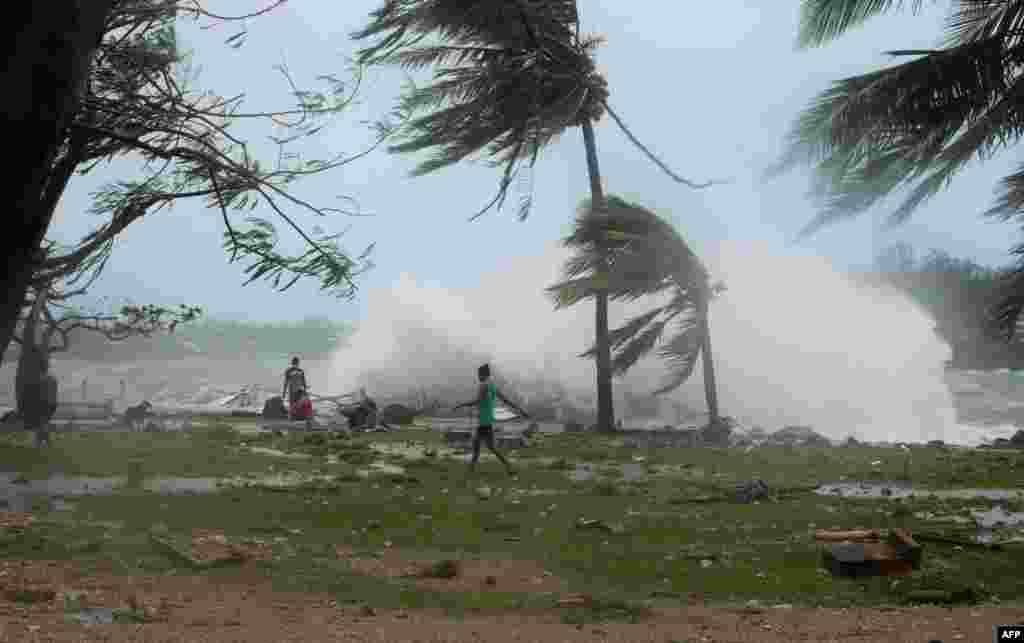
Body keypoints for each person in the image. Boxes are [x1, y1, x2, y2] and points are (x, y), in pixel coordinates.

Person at [453, 364, 528, 476]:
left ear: (484, 374)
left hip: (483, 422)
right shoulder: (493, 387)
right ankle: (507, 467)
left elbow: (477, 401)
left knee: (479, 448)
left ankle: (471, 471)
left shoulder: (483, 386)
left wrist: (461, 405)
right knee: (486, 447)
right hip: (488, 421)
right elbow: (506, 400)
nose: (478, 377)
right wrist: (520, 410)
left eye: (479, 374)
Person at [20, 351, 58, 448]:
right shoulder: (52, 379)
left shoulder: (41, 379)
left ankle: (44, 443)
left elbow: (39, 393)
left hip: (44, 404)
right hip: (52, 404)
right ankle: (40, 443)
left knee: (42, 424)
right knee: (43, 424)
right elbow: (53, 392)